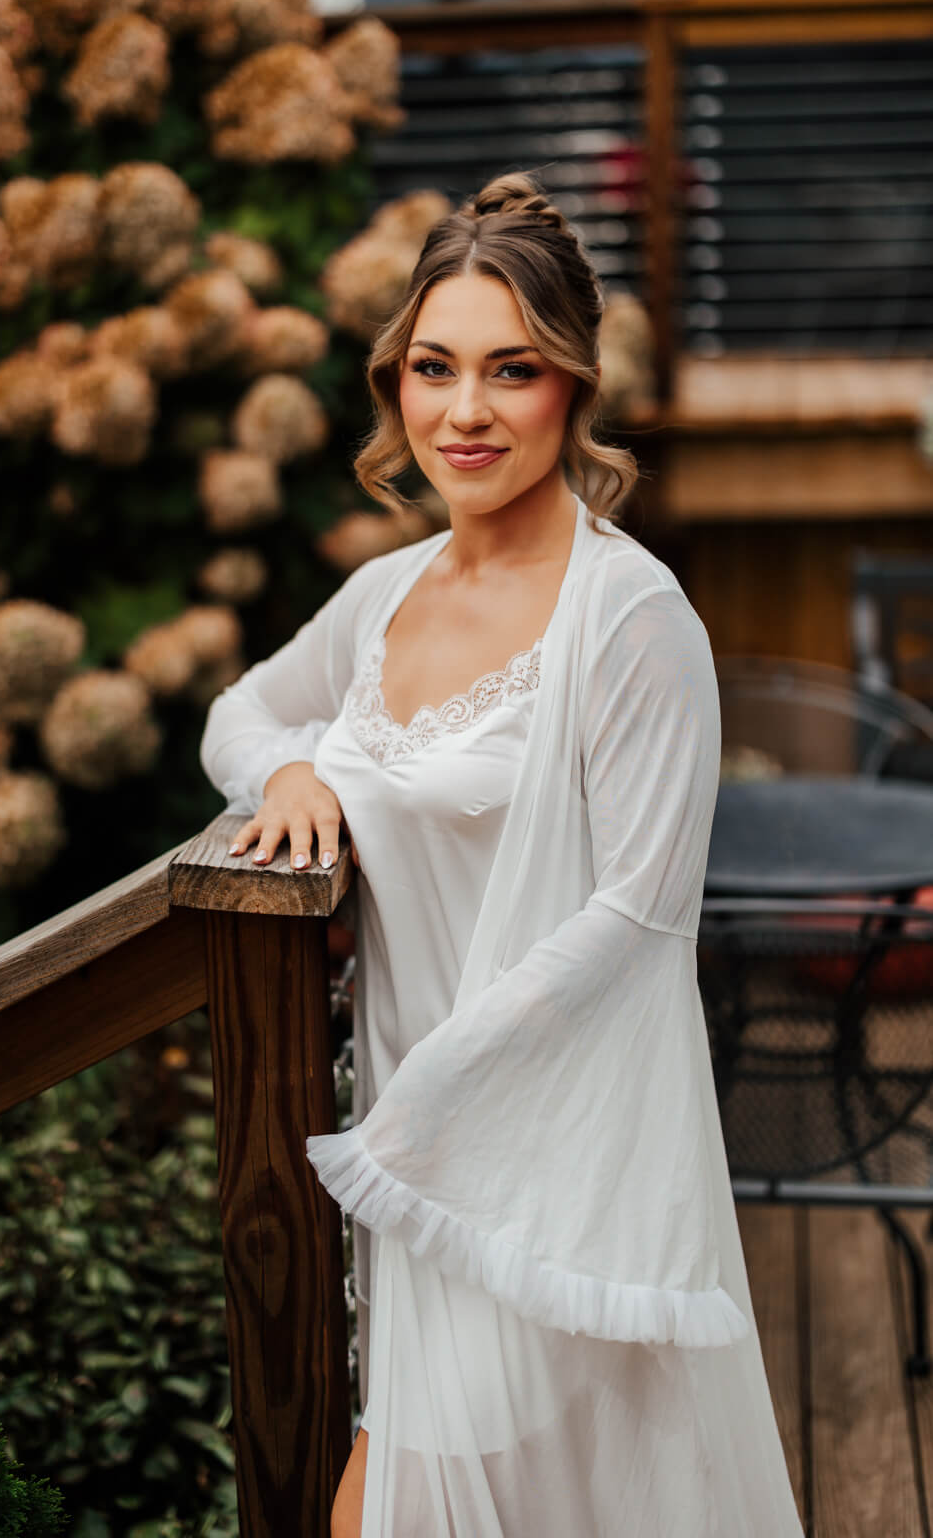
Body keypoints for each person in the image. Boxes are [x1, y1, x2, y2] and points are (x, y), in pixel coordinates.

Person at [199, 172, 805, 1537]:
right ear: (394, 383)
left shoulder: (633, 618)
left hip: (541, 1166)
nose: (463, 412)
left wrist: (426, 1119)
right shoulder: (388, 594)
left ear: (573, 390)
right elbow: (241, 712)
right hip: (413, 1180)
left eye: (510, 371)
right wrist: (292, 769)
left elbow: (640, 921)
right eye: (433, 368)